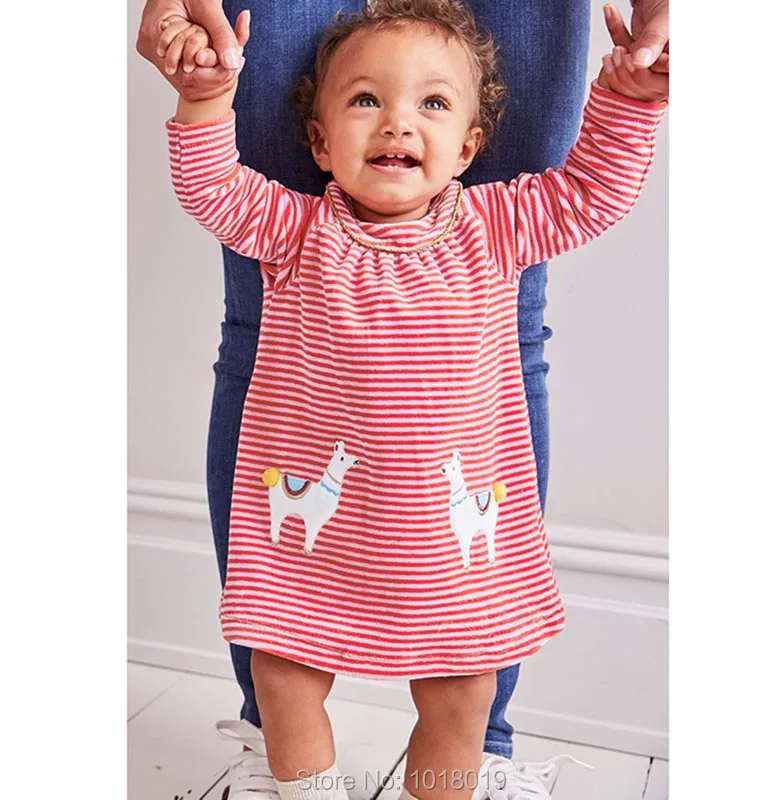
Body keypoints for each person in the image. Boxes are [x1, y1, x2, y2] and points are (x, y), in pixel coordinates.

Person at [136, 1, 668, 799]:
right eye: (364, 99)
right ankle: (301, 788)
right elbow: (211, 187)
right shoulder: (295, 232)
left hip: (447, 546)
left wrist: (630, 97)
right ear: (319, 142)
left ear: (469, 147)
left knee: (465, 692)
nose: (397, 122)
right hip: (316, 548)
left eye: (433, 102)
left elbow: (592, 190)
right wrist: (205, 98)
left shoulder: (499, 227)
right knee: (283, 674)